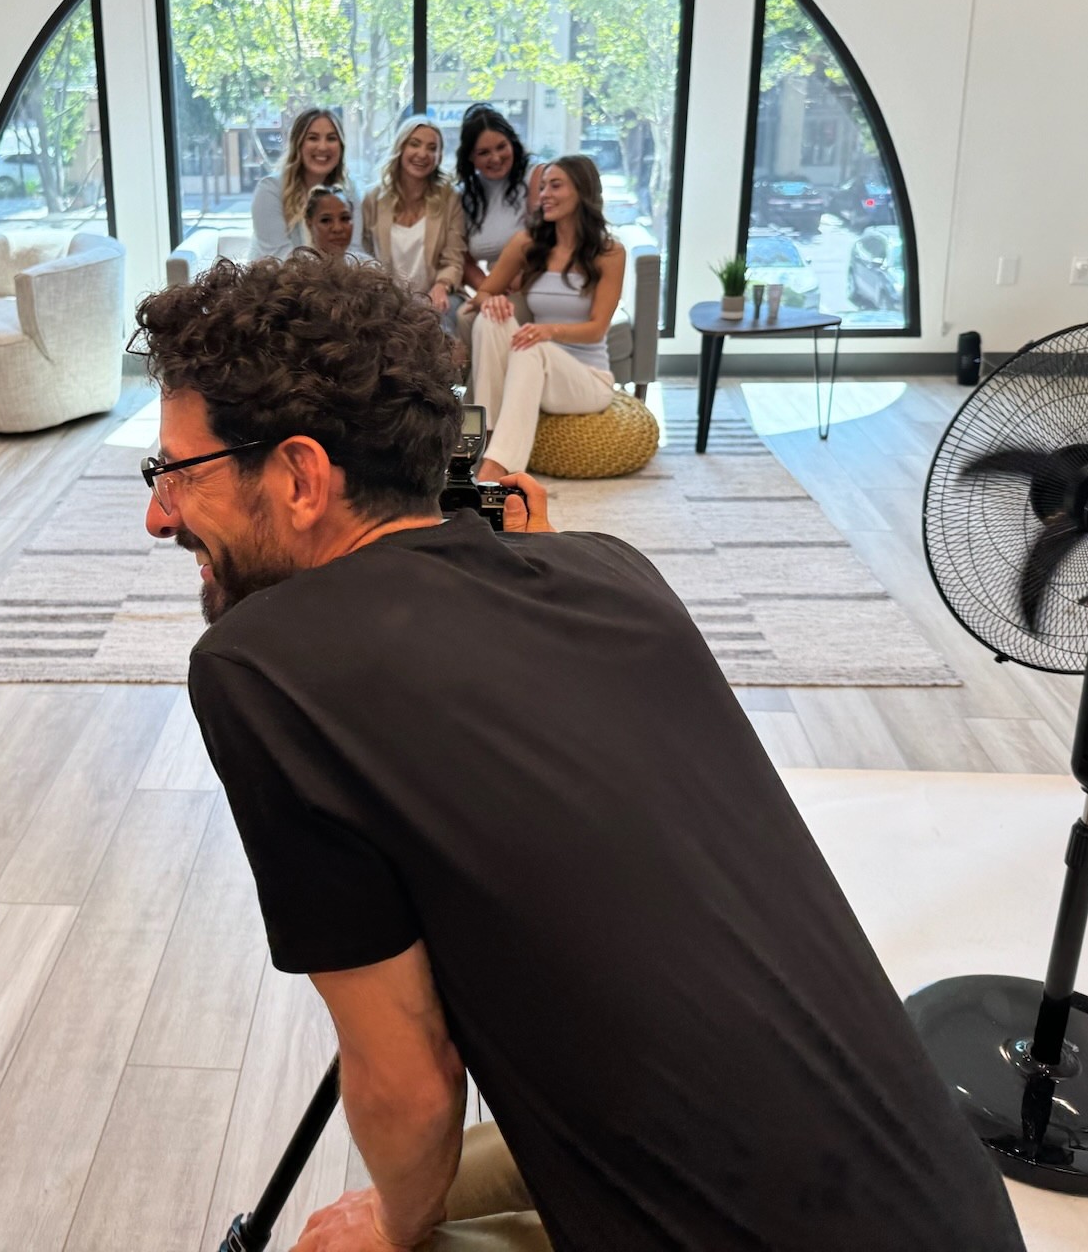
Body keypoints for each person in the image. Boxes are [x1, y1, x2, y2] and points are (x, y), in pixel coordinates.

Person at [129, 252, 1025, 1252]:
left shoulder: (260, 669)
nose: (158, 512)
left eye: (176, 472)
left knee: (346, 1236)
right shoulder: (612, 573)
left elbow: (413, 1082)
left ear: (299, 476)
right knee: (447, 1175)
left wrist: (394, 1226)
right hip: (944, 1201)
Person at [465, 155, 624, 480]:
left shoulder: (610, 253)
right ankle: (488, 439)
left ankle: (494, 470)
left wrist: (546, 331)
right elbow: (481, 294)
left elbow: (596, 330)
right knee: (489, 320)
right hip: (532, 368)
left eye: (555, 185)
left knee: (530, 343)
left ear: (582, 190)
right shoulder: (527, 243)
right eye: (541, 187)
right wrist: (491, 302)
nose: (543, 195)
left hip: (587, 379)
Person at [359, 116, 465, 315]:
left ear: (439, 156)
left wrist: (442, 285)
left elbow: (454, 258)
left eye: (432, 148)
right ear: (400, 148)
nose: (422, 154)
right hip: (386, 299)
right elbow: (363, 255)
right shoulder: (372, 198)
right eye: (414, 144)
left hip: (434, 298)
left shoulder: (450, 198)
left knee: (447, 315)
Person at [253, 109, 360, 261]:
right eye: (313, 138)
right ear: (298, 144)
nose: (323, 147)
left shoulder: (349, 190)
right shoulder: (270, 190)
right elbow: (279, 258)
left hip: (337, 281)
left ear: (341, 146)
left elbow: (353, 251)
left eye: (331, 138)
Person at [453, 105, 531, 292]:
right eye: (484, 152)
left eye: (501, 147)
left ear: (512, 142)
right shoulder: (463, 194)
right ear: (470, 156)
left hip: (534, 284)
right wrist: (491, 294)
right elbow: (463, 259)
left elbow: (549, 245)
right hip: (497, 289)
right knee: (466, 316)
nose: (495, 158)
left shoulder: (535, 177)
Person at [302, 185, 370, 263]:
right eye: (326, 220)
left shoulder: (367, 266)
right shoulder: (296, 270)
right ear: (309, 224)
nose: (337, 228)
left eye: (345, 218)